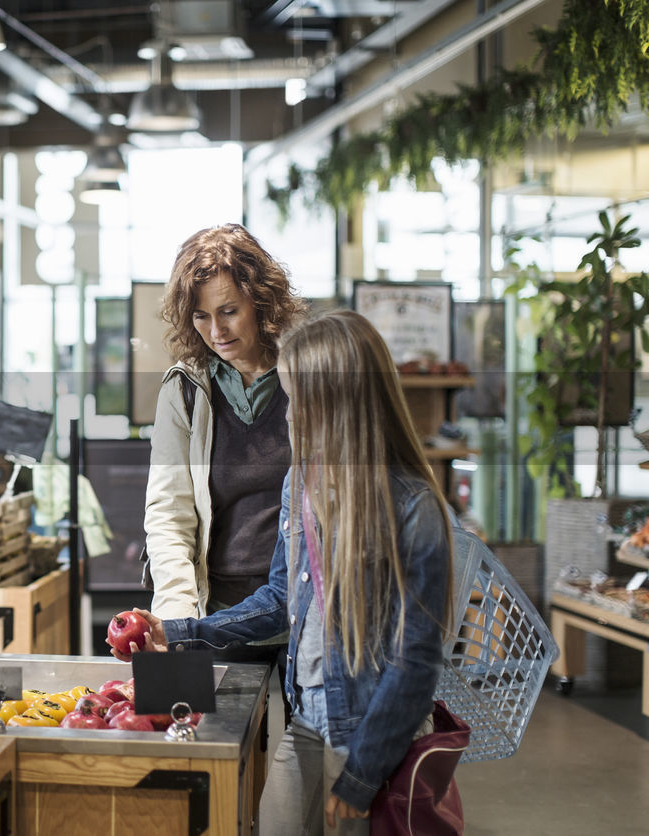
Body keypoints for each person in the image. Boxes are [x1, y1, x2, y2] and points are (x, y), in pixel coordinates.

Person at [118, 310, 454, 835]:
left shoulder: (413, 510)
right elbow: (280, 597)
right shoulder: (304, 483)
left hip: (370, 734)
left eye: (297, 398)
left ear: (335, 403)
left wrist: (363, 774)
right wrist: (183, 631)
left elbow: (415, 662)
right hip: (309, 718)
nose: (289, 413)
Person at [144, 224, 306, 629]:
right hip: (217, 613)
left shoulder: (308, 375)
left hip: (306, 609)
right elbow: (169, 513)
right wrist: (180, 621)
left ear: (262, 301)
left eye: (229, 311)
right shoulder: (186, 390)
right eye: (202, 317)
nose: (216, 332)